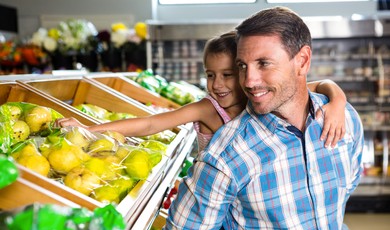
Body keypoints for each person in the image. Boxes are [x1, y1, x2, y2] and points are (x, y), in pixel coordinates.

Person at [161, 6, 364, 230]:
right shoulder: (228, 152)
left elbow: (342, 197)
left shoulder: (344, 120)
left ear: (302, 61)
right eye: (242, 66)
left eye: (263, 64)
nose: (248, 80)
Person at [56, 32, 346, 150]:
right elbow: (151, 123)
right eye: (210, 75)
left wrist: (339, 103)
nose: (217, 85)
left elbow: (321, 85)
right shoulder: (208, 108)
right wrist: (89, 128)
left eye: (228, 75)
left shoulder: (262, 97)